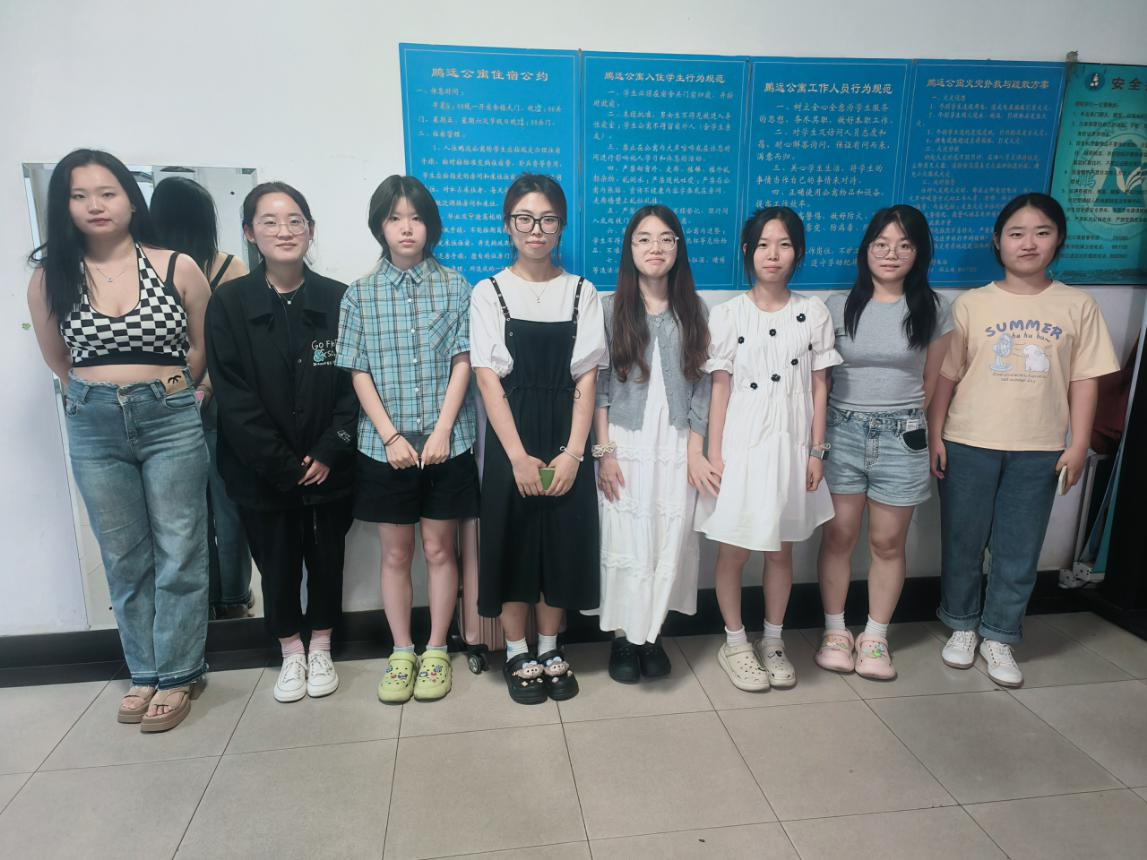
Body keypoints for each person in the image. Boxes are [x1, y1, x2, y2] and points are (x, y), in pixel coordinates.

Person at [26, 149, 211, 732]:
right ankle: (144, 671)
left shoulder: (176, 265)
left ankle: (179, 673)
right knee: (123, 555)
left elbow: (202, 348)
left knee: (180, 546)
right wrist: (100, 395)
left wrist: (174, 390)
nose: (95, 205)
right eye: (79, 195)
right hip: (93, 419)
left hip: (170, 415)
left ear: (131, 199)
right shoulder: (50, 276)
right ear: (64, 207)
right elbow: (59, 359)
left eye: (107, 193)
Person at [928, 192, 1118, 687]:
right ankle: (962, 625)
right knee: (962, 542)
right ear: (998, 241)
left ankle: (1000, 635)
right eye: (1016, 233)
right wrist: (935, 434)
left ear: (1059, 240)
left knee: (1019, 548)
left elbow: (1084, 379)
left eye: (1041, 233)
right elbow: (947, 375)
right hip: (968, 440)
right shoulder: (972, 304)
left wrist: (1077, 444)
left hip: (1039, 448)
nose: (1028, 243)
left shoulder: (1078, 305)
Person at [205, 182, 357, 703]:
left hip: (331, 465)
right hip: (260, 470)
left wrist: (330, 449)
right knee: (275, 561)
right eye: (269, 221)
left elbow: (355, 384)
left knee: (327, 557)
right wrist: (283, 464)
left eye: (295, 220)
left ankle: (322, 645)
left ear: (310, 230)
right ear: (250, 233)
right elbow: (233, 396)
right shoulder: (229, 303)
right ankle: (291, 650)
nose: (284, 231)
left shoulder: (339, 298)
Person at [336, 175, 478, 704]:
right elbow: (358, 371)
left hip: (447, 444)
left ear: (430, 226)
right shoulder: (359, 294)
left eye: (416, 218)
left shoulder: (456, 287)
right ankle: (401, 651)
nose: (406, 228)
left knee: (440, 549)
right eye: (395, 218)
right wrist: (391, 435)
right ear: (380, 226)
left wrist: (442, 429)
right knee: (395, 554)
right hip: (384, 448)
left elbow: (463, 361)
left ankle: (436, 649)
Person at [470, 173, 608, 704]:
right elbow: (488, 379)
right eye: (525, 219)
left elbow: (587, 377)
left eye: (548, 220)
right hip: (513, 435)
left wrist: (574, 454)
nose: (536, 229)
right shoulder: (489, 291)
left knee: (562, 543)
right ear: (508, 225)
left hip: (567, 431)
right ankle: (515, 651)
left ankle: (550, 647)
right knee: (513, 542)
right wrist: (517, 458)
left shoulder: (582, 291)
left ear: (561, 227)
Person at [696, 206, 841, 692]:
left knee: (781, 549)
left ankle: (774, 640)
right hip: (741, 441)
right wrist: (715, 454)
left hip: (791, 441)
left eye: (783, 244)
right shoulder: (728, 314)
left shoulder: (813, 312)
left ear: (797, 252)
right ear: (747, 251)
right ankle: (735, 642)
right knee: (734, 547)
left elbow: (820, 386)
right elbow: (719, 388)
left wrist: (817, 451)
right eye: (762, 244)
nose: (772, 254)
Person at [814, 205, 952, 680]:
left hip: (904, 437)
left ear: (919, 253)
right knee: (839, 535)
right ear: (866, 249)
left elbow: (934, 381)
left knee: (888, 541)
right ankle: (836, 631)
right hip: (841, 432)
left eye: (904, 245)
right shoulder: (836, 306)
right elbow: (821, 381)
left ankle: (874, 637)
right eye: (882, 244)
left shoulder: (933, 308)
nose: (892, 254)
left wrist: (930, 433)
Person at [589, 204, 718, 683]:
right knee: (624, 536)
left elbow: (703, 385)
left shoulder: (695, 310)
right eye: (644, 238)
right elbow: (598, 387)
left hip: (677, 442)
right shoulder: (609, 309)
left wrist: (696, 449)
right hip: (624, 441)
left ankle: (653, 634)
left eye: (666, 238)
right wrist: (604, 452)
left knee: (668, 538)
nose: (655, 247)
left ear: (678, 248)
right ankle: (624, 638)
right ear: (630, 248)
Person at [150, 176, 253, 620]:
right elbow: (238, 345)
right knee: (228, 507)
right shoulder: (230, 267)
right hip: (220, 401)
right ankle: (233, 598)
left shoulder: (147, 268)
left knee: (179, 515)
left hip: (159, 402)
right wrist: (206, 386)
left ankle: (198, 602)